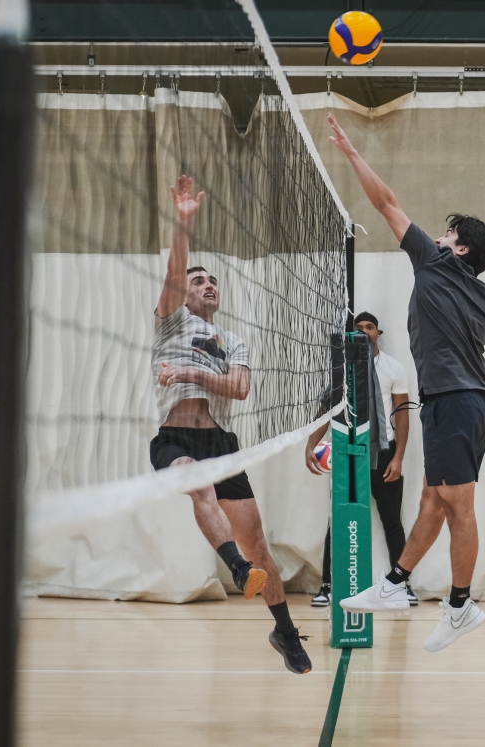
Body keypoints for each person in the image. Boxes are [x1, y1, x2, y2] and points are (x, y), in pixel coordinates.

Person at [327, 113, 485, 652]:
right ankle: (396, 582)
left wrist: (352, 153)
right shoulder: (483, 295)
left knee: (457, 504)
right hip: (462, 402)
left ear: (459, 249)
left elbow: (387, 203)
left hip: (455, 401)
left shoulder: (433, 261)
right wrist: (471, 334)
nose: (437, 235)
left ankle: (460, 605)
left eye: (447, 234)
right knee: (433, 497)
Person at [150, 175, 312, 675]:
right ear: (184, 293)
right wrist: (183, 223)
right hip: (176, 439)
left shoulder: (234, 341)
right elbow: (174, 272)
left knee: (259, 543)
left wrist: (191, 373)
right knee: (198, 485)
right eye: (199, 280)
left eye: (213, 281)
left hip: (221, 442)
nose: (207, 285)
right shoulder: (171, 321)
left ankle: (284, 632)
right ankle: (237, 570)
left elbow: (239, 388)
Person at [305, 311, 417, 607]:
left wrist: (399, 458)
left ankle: (401, 585)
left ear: (378, 333)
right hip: (349, 451)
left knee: (392, 521)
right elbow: (326, 410)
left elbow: (402, 415)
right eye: (359, 328)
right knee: (338, 518)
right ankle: (328, 585)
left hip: (384, 452)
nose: (365, 331)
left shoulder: (393, 368)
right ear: (352, 335)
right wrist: (310, 445)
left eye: (370, 327)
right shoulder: (343, 369)